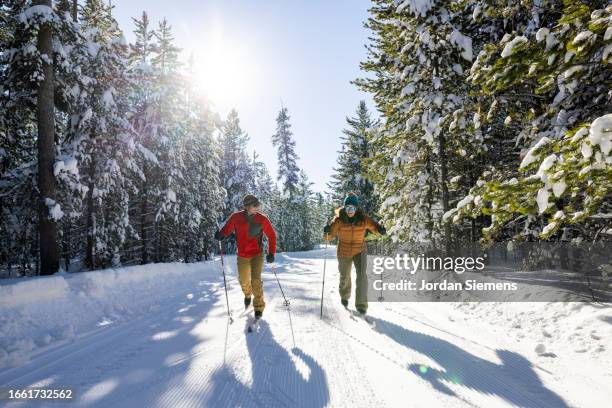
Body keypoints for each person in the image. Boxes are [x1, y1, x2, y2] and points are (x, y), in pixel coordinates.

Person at [215, 194, 277, 319]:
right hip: (242, 254)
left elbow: (272, 235)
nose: (258, 207)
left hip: (257, 254)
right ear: (247, 206)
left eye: (258, 204)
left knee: (256, 280)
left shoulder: (262, 219)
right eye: (255, 205)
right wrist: (221, 235)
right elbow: (227, 229)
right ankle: (247, 294)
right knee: (243, 280)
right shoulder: (236, 217)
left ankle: (259, 307)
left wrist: (271, 253)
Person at [324, 192, 385, 315]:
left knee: (362, 276)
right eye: (347, 208)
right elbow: (328, 237)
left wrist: (380, 230)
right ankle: (345, 296)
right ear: (344, 208)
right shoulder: (339, 220)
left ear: (356, 208)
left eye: (352, 208)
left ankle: (361, 305)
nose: (350, 210)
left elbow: (374, 226)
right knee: (345, 276)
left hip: (360, 250)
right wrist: (327, 231)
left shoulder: (363, 219)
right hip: (344, 251)